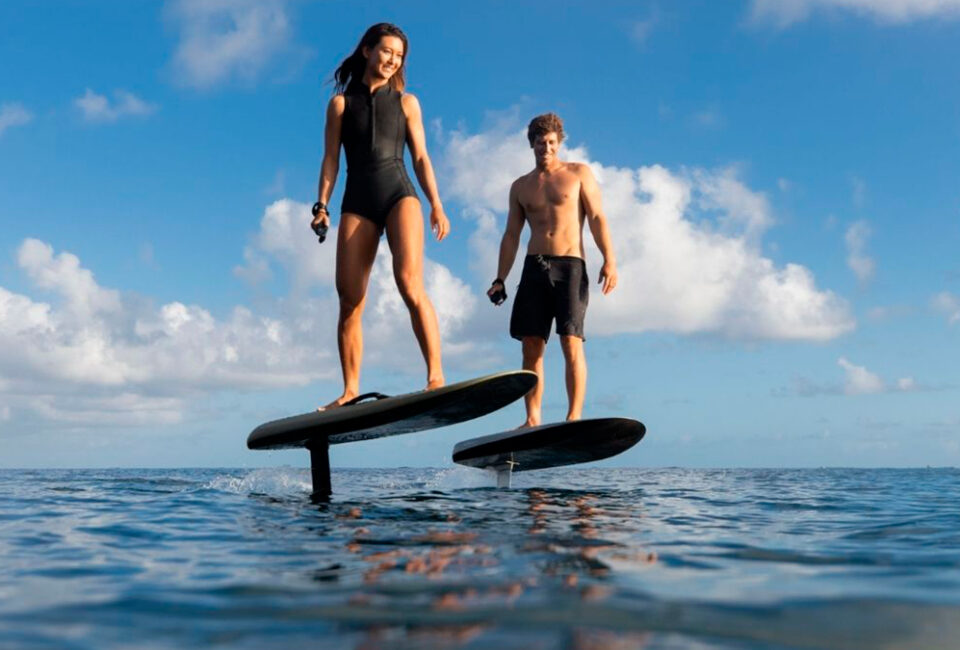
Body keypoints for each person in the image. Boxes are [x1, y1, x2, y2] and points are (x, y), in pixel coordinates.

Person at [311, 23, 449, 410]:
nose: (392, 60)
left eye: (399, 56)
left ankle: (436, 375)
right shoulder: (340, 105)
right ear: (368, 50)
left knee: (409, 283)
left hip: (398, 193)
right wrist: (321, 204)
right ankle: (350, 389)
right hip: (357, 200)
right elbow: (330, 160)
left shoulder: (407, 103)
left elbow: (420, 157)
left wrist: (436, 202)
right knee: (349, 299)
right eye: (387, 51)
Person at [488, 113, 617, 427]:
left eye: (551, 142)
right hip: (534, 268)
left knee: (570, 340)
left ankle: (573, 418)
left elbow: (598, 217)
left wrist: (609, 259)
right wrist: (500, 278)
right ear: (531, 144)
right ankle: (532, 419)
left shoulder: (579, 174)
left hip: (570, 266)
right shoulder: (520, 186)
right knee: (531, 345)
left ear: (559, 143)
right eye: (539, 142)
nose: (545, 147)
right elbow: (511, 235)